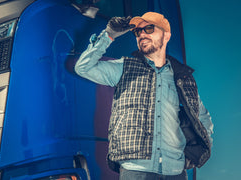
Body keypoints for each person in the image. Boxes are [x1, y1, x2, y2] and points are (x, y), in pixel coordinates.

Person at [74, 12, 214, 180]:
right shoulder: (124, 67)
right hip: (136, 170)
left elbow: (203, 117)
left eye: (149, 28)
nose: (142, 34)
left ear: (166, 35)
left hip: (175, 172)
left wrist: (194, 153)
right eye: (138, 32)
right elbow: (83, 68)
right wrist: (109, 35)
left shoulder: (182, 78)